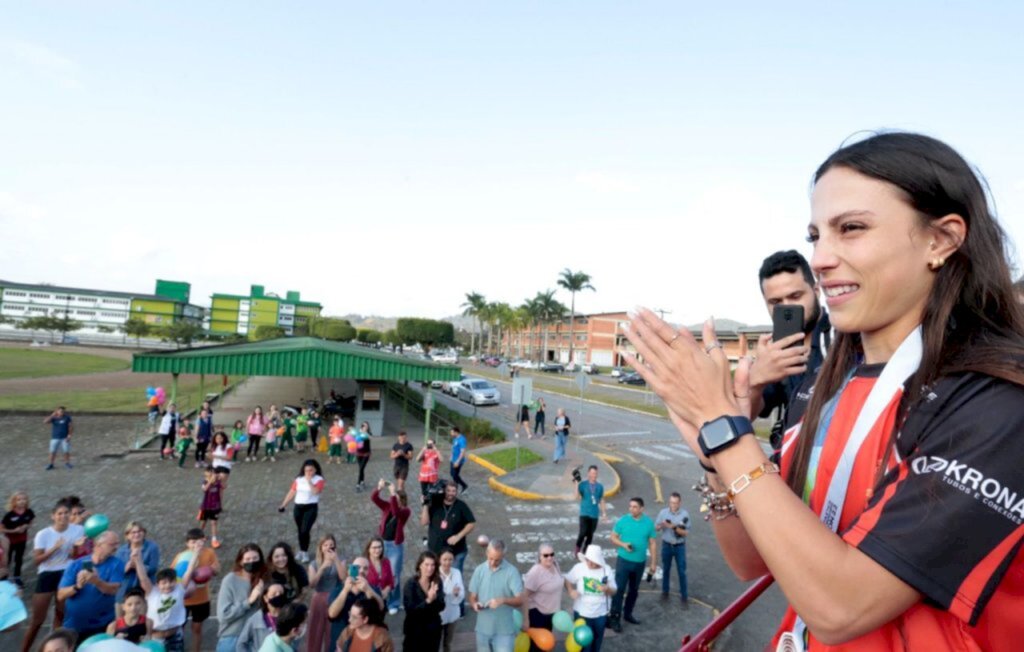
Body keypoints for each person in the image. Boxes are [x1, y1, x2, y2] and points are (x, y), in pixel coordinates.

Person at [622, 132, 1024, 650]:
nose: (822, 258)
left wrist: (724, 428)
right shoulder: (824, 385)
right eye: (816, 236)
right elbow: (752, 560)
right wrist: (712, 451)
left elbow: (839, 606)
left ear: (941, 240)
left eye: (850, 228)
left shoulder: (997, 400)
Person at [750, 249, 832, 461]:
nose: (787, 308)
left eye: (795, 296)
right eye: (776, 302)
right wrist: (756, 381)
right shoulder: (773, 350)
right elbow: (749, 414)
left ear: (816, 290)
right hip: (788, 463)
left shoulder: (843, 339)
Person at [20, 498, 85, 652]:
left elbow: (75, 557)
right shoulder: (43, 534)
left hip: (66, 572)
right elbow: (37, 560)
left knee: (60, 615)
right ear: (53, 516)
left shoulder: (77, 530)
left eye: (66, 513)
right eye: (60, 513)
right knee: (37, 620)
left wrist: (75, 549)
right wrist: (55, 548)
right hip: (47, 573)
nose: (63, 516)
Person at [57, 530, 124, 644]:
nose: (117, 547)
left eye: (118, 544)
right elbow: (60, 595)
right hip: (74, 625)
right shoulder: (76, 564)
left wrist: (96, 581)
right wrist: (77, 586)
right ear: (99, 544)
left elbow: (114, 590)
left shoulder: (116, 563)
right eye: (113, 544)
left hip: (102, 625)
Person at [607, 497, 656, 633]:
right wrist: (623, 544)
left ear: (642, 508)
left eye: (635, 507)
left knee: (634, 591)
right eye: (630, 506)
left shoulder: (648, 523)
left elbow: (652, 543)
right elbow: (613, 537)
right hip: (624, 561)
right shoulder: (623, 520)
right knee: (619, 590)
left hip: (639, 563)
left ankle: (628, 614)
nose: (631, 509)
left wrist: (653, 563)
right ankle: (614, 617)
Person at [468, 539, 523, 652]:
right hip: (482, 630)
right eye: (491, 558)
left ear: (504, 555)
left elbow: (520, 600)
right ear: (487, 553)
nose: (492, 563)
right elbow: (472, 596)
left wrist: (503, 600)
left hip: (504, 631)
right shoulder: (479, 570)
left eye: (497, 560)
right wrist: (474, 604)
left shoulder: (512, 572)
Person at [173, 528, 220, 652]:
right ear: (187, 543)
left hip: (202, 598)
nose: (196, 544)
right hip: (184, 601)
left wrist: (212, 570)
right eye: (193, 542)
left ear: (204, 540)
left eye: (199, 541)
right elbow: (174, 574)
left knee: (197, 628)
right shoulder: (181, 556)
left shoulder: (209, 553)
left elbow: (217, 570)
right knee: (179, 628)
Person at [137, 559, 199, 652]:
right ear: (158, 584)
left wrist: (196, 552)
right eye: (164, 583)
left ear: (176, 581)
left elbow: (189, 571)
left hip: (175, 636)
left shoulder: (179, 589)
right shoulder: (152, 593)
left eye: (171, 581)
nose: (168, 585)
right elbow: (143, 578)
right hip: (156, 638)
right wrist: (137, 560)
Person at [564, 545, 616, 652]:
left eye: (593, 561)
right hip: (582, 613)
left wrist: (607, 589)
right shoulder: (579, 567)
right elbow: (567, 579)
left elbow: (614, 591)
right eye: (588, 560)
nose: (589, 564)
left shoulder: (607, 570)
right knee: (584, 645)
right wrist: (570, 591)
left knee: (597, 641)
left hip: (600, 614)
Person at [215, 543, 266, 652]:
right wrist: (248, 601)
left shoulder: (263, 580)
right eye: (247, 559)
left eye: (255, 558)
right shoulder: (230, 580)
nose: (251, 562)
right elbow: (223, 615)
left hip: (255, 638)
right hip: (233, 637)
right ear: (240, 561)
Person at [371, 479, 411, 615]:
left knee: (394, 575)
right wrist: (380, 487)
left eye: (398, 499)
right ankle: (380, 598)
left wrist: (393, 493)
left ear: (403, 501)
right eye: (394, 498)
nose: (395, 500)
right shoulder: (387, 506)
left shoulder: (406, 511)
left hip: (395, 546)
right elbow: (374, 498)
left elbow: (396, 513)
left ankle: (394, 602)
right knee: (380, 572)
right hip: (382, 544)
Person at [327, 557, 385, 648]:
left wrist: (368, 590)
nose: (361, 571)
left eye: (365, 568)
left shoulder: (373, 589)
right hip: (341, 642)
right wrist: (345, 591)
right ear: (350, 569)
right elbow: (332, 614)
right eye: (357, 567)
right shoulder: (338, 589)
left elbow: (380, 610)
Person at [421, 480, 476, 577]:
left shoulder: (461, 506)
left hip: (455, 552)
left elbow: (471, 523)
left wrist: (458, 536)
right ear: (443, 491)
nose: (451, 493)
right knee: (435, 578)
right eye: (448, 490)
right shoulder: (435, 503)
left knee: (454, 578)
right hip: (435, 551)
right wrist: (425, 505)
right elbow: (424, 522)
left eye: (453, 491)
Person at [277, 459, 325, 563]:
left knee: (305, 530)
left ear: (315, 470)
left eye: (311, 470)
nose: (308, 472)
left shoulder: (319, 480)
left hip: (311, 508)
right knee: (300, 530)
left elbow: (315, 492)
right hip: (298, 507)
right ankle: (302, 550)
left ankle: (305, 552)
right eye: (306, 470)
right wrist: (283, 505)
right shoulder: (298, 479)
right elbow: (292, 492)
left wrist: (309, 481)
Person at [521, 543, 563, 652]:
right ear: (539, 557)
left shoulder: (555, 565)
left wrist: (571, 589)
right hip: (538, 615)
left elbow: (562, 579)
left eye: (552, 554)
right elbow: (524, 596)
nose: (549, 557)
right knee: (537, 647)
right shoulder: (535, 572)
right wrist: (526, 620)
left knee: (546, 645)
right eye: (545, 555)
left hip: (551, 614)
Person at [306, 535, 344, 652]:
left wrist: (336, 560)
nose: (329, 548)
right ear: (321, 548)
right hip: (318, 598)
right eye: (326, 545)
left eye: (331, 545)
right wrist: (322, 568)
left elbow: (343, 577)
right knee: (315, 630)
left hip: (334, 598)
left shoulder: (341, 560)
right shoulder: (314, 564)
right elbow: (312, 584)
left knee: (331, 630)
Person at [113, 521, 160, 612]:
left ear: (144, 533)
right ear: (127, 536)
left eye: (139, 531)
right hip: (124, 590)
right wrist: (127, 567)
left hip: (145, 589)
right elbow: (116, 572)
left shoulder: (152, 548)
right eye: (133, 532)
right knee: (121, 620)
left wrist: (139, 566)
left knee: (144, 619)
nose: (137, 534)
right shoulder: (121, 551)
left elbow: (153, 568)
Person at [402, 551, 444, 652]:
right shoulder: (410, 585)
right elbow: (411, 611)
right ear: (420, 565)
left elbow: (442, 606)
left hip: (432, 631)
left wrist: (435, 599)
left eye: (433, 565)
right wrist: (428, 600)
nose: (430, 568)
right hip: (414, 631)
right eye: (426, 564)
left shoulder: (437, 581)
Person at [654, 492, 689, 606]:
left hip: (679, 546)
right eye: (671, 502)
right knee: (666, 570)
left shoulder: (685, 515)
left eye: (675, 503)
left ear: (680, 503)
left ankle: (684, 597)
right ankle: (665, 593)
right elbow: (656, 528)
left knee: (682, 572)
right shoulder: (663, 513)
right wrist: (661, 525)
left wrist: (674, 527)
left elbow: (685, 533)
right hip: (667, 545)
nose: (673, 505)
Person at [235, 582, 289, 652]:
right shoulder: (256, 619)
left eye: (281, 593)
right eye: (274, 594)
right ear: (265, 598)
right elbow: (241, 644)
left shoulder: (289, 617)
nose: (278, 596)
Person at [2, 491, 35, 585]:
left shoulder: (29, 512)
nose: (22, 501)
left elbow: (30, 522)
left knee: (19, 559)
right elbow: (1, 529)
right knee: (6, 560)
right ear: (14, 502)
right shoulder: (9, 515)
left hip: (22, 540)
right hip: (9, 541)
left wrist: (26, 526)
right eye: (19, 499)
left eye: (24, 499)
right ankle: (3, 577)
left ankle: (17, 577)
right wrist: (14, 531)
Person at [573, 466, 607, 555]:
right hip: (584, 513)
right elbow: (576, 496)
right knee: (582, 532)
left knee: (590, 535)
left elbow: (602, 500)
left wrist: (604, 513)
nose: (594, 475)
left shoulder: (600, 487)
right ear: (588, 473)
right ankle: (578, 547)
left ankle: (585, 551)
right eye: (592, 473)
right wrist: (576, 483)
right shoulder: (583, 485)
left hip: (594, 515)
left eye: (595, 473)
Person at [437, 548, 464, 652]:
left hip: (453, 613)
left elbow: (461, 593)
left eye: (450, 559)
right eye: (445, 559)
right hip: (439, 614)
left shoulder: (456, 572)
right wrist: (450, 592)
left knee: (448, 642)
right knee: (436, 641)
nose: (447, 562)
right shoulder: (435, 574)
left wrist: (455, 594)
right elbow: (437, 595)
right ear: (439, 560)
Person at [364, 537, 394, 616]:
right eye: (374, 547)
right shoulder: (364, 564)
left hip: (382, 600)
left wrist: (386, 591)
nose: (377, 550)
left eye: (380, 547)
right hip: (368, 601)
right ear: (368, 549)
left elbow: (391, 581)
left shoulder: (386, 562)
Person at [199, 467, 224, 548]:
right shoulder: (205, 481)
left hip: (215, 506)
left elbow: (224, 487)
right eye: (209, 472)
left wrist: (221, 479)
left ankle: (214, 539)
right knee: (203, 522)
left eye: (213, 472)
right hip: (205, 506)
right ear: (205, 473)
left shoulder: (218, 481)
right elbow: (205, 489)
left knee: (214, 522)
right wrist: (210, 481)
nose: (212, 474)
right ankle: (199, 534)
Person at [416, 439, 443, 505]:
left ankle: (431, 507)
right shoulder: (424, 452)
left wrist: (436, 450)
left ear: (434, 444)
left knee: (432, 493)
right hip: (423, 476)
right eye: (428, 444)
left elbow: (442, 460)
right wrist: (422, 450)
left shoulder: (436, 452)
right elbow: (417, 459)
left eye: (431, 444)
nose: (429, 445)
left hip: (432, 476)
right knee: (424, 493)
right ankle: (424, 507)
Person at [354, 421, 373, 492]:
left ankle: (358, 485)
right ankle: (362, 482)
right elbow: (355, 440)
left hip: (366, 453)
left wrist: (365, 432)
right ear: (361, 426)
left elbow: (370, 438)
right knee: (361, 468)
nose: (365, 427)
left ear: (368, 427)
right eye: (363, 426)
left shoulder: (369, 433)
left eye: (366, 426)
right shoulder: (358, 433)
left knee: (361, 468)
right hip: (359, 453)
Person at [449, 427, 469, 495]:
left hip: (458, 461)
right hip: (453, 459)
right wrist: (451, 456)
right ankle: (457, 487)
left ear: (456, 432)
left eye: (452, 432)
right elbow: (453, 447)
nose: (451, 434)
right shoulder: (455, 438)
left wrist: (457, 461)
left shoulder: (462, 440)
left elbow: (462, 452)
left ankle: (463, 486)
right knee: (452, 474)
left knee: (455, 475)